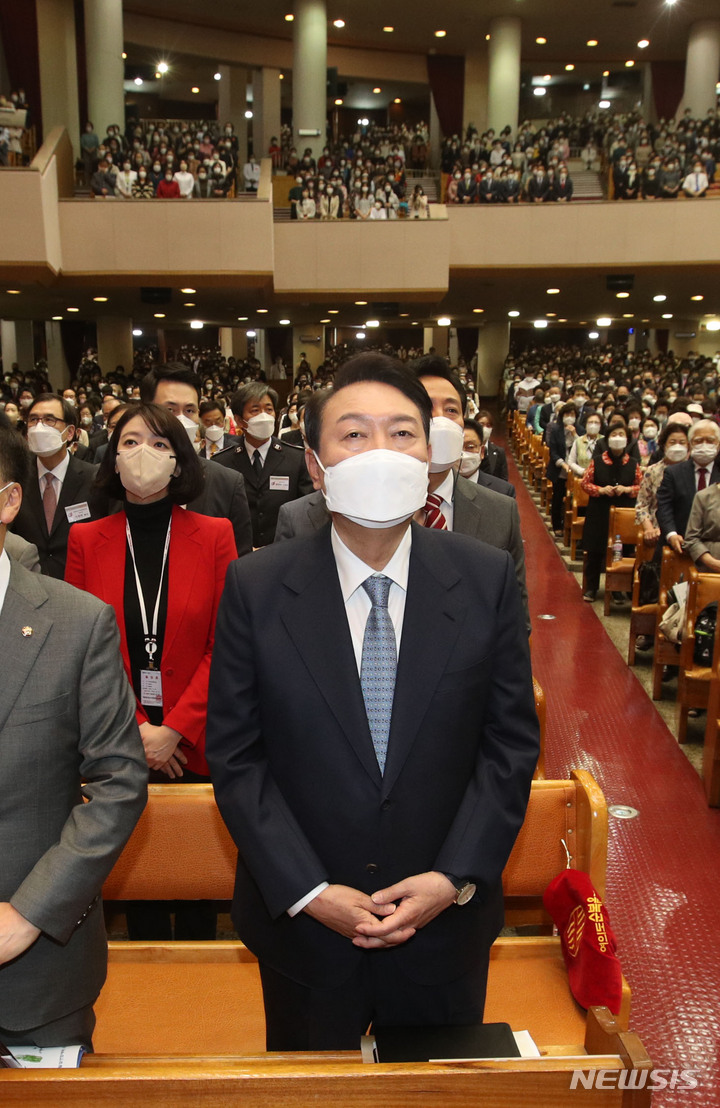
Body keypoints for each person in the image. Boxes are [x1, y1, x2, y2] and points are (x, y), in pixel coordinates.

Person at [206, 353, 539, 1051]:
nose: (380, 451)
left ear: (430, 455)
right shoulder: (257, 586)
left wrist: (453, 876)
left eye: (402, 433)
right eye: (354, 435)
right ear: (318, 466)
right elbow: (237, 757)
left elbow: (508, 744)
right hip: (305, 927)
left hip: (443, 924)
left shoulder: (484, 578)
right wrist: (307, 891)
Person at [65, 403, 237, 940]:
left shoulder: (214, 534)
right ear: (113, 459)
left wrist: (173, 730)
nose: (145, 456)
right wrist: (138, 729)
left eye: (161, 445)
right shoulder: (86, 540)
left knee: (196, 888)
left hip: (196, 738)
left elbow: (226, 643)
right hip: (117, 737)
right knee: (135, 886)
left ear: (180, 462)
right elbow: (82, 648)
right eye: (132, 442)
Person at [0, 424, 147, 1050]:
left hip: (37, 970)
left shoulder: (76, 622)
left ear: (8, 501)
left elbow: (118, 783)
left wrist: (31, 911)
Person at [140, 364, 253, 556]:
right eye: (169, 409)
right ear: (145, 411)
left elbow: (240, 564)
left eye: (190, 411)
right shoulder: (119, 477)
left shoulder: (227, 483)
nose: (180, 420)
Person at [12, 394, 107, 578]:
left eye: (49, 420)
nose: (40, 427)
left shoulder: (94, 478)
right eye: (33, 420)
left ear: (70, 432)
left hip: (79, 585)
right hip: (28, 583)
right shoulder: (18, 478)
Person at [214, 382, 313, 547]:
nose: (264, 416)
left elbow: (305, 514)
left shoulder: (296, 459)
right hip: (239, 556)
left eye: (268, 409)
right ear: (239, 420)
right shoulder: (222, 462)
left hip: (285, 553)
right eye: (255, 410)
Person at [581, 424, 642, 603]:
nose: (618, 437)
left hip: (624, 512)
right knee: (594, 551)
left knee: (622, 551)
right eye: (614, 434)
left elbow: (641, 486)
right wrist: (600, 490)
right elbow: (585, 483)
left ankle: (617, 590)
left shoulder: (632, 463)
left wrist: (627, 488)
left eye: (621, 434)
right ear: (607, 439)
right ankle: (591, 588)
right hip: (599, 511)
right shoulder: (598, 460)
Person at [657, 418, 720, 554]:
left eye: (710, 441)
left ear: (718, 445)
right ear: (690, 444)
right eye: (698, 441)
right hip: (679, 545)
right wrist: (671, 534)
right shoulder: (674, 472)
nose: (704, 445)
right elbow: (664, 507)